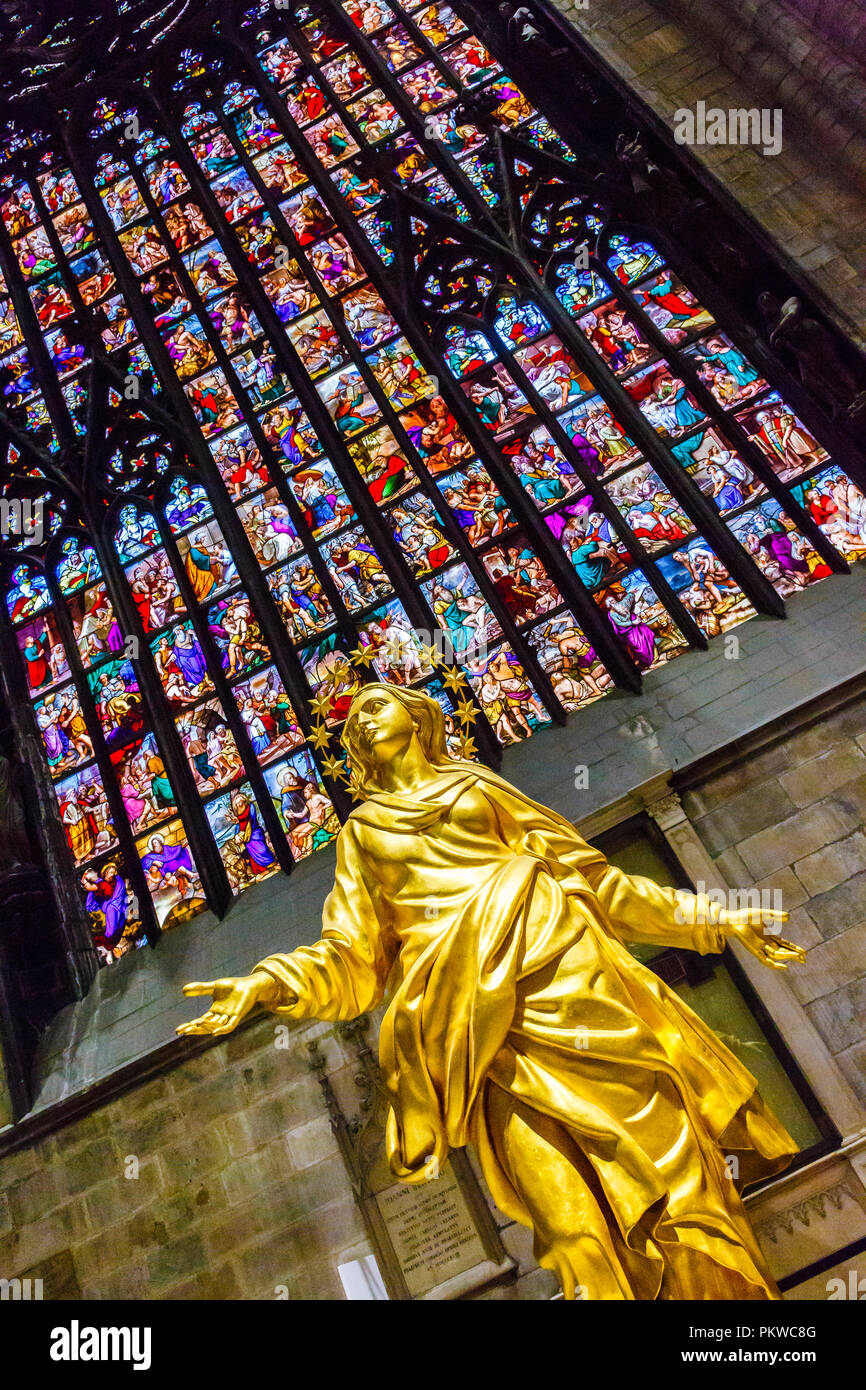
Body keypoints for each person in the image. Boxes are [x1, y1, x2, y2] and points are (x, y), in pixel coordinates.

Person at [180, 684, 804, 1301]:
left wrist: (715, 918)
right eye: (351, 726)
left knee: (681, 1193)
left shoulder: (480, 788)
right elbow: (352, 959)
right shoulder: (364, 837)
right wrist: (267, 982)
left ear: (418, 715)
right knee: (570, 1230)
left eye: (376, 706)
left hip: (578, 988)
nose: (362, 724)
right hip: (482, 1037)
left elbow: (601, 885)